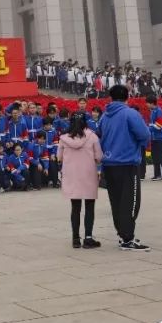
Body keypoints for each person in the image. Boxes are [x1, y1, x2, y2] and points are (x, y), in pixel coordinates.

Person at [99, 84, 152, 251]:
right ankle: (128, 239)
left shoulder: (104, 116)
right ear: (127, 97)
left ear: (111, 97)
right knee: (130, 202)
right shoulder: (130, 113)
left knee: (116, 201)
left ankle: (123, 235)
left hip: (109, 164)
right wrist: (138, 145)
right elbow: (145, 135)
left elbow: (99, 136)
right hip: (127, 163)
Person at [58, 112, 103, 249]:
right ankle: (88, 238)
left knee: (75, 208)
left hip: (72, 176)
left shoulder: (64, 138)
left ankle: (76, 239)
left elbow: (59, 157)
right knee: (89, 207)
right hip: (88, 174)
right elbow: (99, 157)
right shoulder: (92, 136)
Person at [147, 95, 162, 181]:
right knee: (155, 156)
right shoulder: (153, 111)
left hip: (160, 138)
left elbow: (158, 126)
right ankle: (157, 174)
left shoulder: (159, 111)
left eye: (147, 103)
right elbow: (152, 125)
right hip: (154, 138)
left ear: (152, 103)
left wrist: (146, 129)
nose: (146, 105)